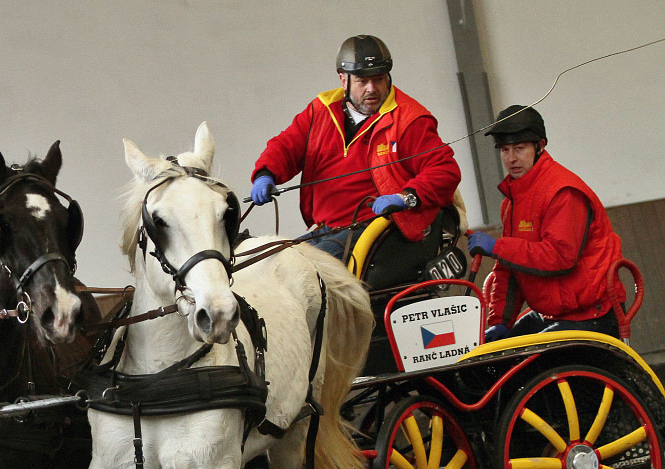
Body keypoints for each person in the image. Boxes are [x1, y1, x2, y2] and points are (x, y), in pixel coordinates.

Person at [250, 34, 461, 260]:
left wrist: (405, 197)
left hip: (379, 230)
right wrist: (265, 173)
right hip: (327, 228)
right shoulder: (320, 110)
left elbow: (444, 171)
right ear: (344, 80)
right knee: (275, 264)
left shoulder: (409, 119)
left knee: (306, 271)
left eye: (379, 79)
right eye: (362, 81)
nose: (372, 88)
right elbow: (286, 145)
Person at [468, 105, 626, 341]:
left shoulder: (563, 192)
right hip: (553, 313)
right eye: (505, 150)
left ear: (540, 146)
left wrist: (498, 247)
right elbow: (510, 269)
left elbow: (560, 256)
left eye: (520, 149)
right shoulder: (512, 202)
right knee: (491, 359)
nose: (511, 159)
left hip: (592, 315)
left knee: (525, 369)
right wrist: (500, 323)